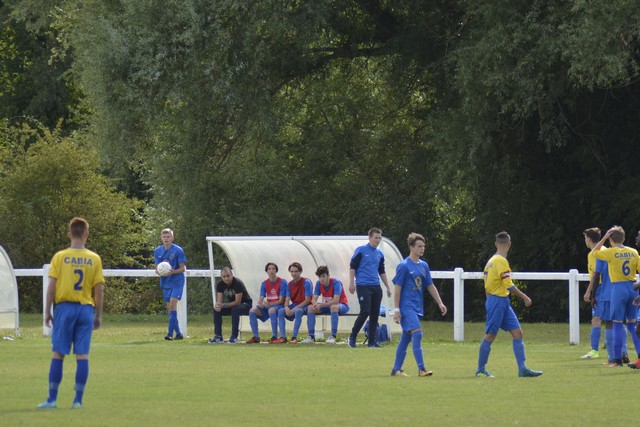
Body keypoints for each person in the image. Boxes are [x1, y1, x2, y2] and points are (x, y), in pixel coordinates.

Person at [38, 217, 105, 409]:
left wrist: (47, 311)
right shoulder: (94, 258)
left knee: (58, 354)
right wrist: (98, 315)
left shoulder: (60, 257)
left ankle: (52, 399)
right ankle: (78, 401)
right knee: (82, 355)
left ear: (69, 234)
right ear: (86, 234)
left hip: (64, 308)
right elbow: (99, 289)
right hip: (85, 310)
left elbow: (51, 287)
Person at [476, 231, 543, 378]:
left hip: (499, 301)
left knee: (517, 333)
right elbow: (509, 285)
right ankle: (480, 370)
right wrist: (525, 297)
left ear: (496, 244)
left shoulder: (490, 261)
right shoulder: (501, 261)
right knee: (490, 335)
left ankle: (522, 369)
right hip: (497, 301)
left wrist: (490, 301)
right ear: (509, 244)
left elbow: (487, 285)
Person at [391, 233, 447, 377]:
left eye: (423, 246)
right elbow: (397, 288)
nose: (422, 249)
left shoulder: (424, 266)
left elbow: (430, 285)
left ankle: (396, 369)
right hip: (406, 307)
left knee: (406, 337)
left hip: (417, 306)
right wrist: (396, 309)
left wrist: (440, 302)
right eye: (419, 246)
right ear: (411, 247)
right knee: (417, 333)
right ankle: (421, 368)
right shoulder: (403, 266)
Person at [592, 226, 640, 367]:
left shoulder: (611, 252)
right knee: (633, 325)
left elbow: (595, 252)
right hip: (632, 287)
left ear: (611, 240)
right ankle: (639, 357)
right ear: (623, 238)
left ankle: (617, 360)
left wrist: (604, 237)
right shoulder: (633, 252)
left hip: (618, 288)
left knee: (617, 324)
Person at [347, 227, 392, 348]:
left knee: (375, 314)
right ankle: (352, 336)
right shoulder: (361, 250)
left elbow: (381, 271)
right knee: (365, 311)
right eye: (375, 238)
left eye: (379, 238)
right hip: (363, 285)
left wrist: (387, 286)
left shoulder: (379, 254)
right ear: (370, 238)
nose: (377, 240)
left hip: (376, 286)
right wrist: (351, 283)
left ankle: (372, 341)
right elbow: (352, 267)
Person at [154, 228, 187, 341]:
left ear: (172, 238)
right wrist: (161, 269)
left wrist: (173, 271)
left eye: (168, 237)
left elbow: (182, 268)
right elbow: (157, 269)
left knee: (172, 306)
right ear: (161, 238)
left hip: (177, 281)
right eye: (164, 237)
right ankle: (179, 334)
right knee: (170, 309)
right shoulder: (157, 251)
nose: (166, 239)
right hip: (165, 282)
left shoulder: (178, 250)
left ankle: (169, 334)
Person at [306, 265, 350, 344]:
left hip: (342, 305)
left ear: (328, 275)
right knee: (310, 308)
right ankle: (311, 336)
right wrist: (315, 304)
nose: (321, 279)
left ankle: (333, 336)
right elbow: (313, 299)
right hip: (328, 306)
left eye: (323, 276)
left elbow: (336, 300)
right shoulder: (318, 284)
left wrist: (321, 305)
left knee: (333, 307)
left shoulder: (336, 282)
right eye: (319, 277)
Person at [208, 267, 252, 344]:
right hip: (233, 306)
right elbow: (219, 300)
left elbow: (237, 302)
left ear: (232, 275)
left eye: (228, 276)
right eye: (224, 277)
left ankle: (234, 336)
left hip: (245, 305)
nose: (226, 278)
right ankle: (218, 336)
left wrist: (223, 305)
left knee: (235, 309)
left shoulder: (238, 283)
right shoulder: (220, 285)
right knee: (217, 310)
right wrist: (218, 306)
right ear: (221, 277)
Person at [246, 262, 286, 344]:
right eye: (269, 269)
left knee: (271, 310)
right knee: (252, 311)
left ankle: (274, 336)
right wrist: (260, 302)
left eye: (273, 269)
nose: (271, 271)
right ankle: (256, 337)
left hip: (279, 306)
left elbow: (281, 301)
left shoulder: (282, 282)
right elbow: (261, 297)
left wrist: (269, 304)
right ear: (267, 271)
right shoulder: (264, 283)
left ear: (276, 270)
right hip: (269, 306)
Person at [277, 262, 312, 343]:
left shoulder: (306, 282)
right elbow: (287, 299)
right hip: (295, 304)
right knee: (280, 311)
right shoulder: (289, 284)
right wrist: (286, 307)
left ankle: (294, 337)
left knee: (298, 311)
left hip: (305, 305)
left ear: (300, 272)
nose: (294, 273)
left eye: (296, 271)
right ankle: (283, 337)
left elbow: (307, 300)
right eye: (292, 271)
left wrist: (295, 308)